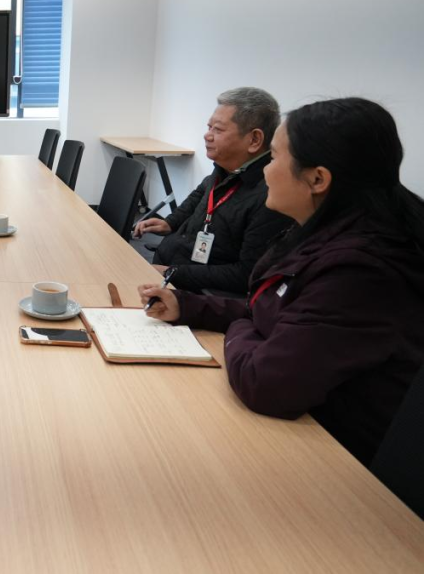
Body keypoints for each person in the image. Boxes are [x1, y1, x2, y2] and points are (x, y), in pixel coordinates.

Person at [140, 97, 424, 464]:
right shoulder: (322, 231)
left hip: (337, 456)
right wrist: (191, 306)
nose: (266, 172)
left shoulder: (359, 271)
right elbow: (277, 310)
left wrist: (243, 326)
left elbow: (264, 382)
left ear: (317, 179)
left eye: (274, 158)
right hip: (304, 422)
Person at [133, 87, 292, 294]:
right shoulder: (227, 168)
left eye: (218, 129)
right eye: (209, 127)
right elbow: (200, 195)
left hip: (196, 293)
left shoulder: (271, 197)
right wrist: (170, 222)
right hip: (171, 268)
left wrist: (171, 273)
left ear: (254, 140)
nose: (207, 135)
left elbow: (246, 275)